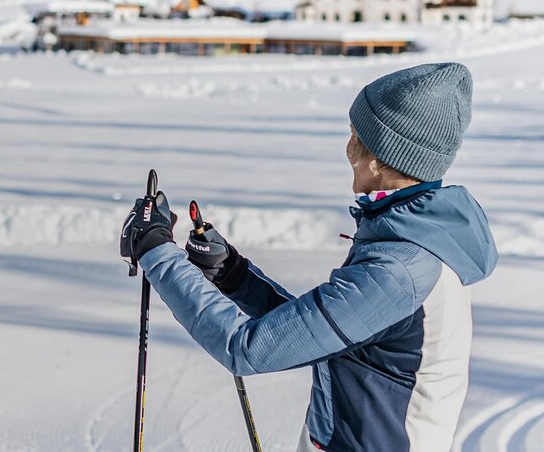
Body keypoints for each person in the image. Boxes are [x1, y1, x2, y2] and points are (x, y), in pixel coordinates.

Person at [121, 62, 497, 452]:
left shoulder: (399, 270)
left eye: (357, 136)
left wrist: (155, 250)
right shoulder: (415, 235)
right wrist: (232, 274)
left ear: (383, 155)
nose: (348, 148)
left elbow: (246, 349)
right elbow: (318, 330)